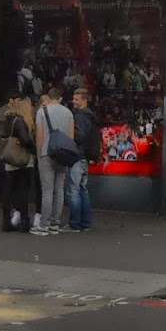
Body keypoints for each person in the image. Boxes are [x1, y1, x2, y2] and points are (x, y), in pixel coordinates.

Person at [0, 89, 35, 232]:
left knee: (9, 189)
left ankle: (6, 221)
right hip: (21, 157)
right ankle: (24, 221)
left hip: (9, 157)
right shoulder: (20, 121)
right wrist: (34, 148)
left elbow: (0, 133)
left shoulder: (8, 118)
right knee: (23, 189)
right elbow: (25, 140)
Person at [34, 87, 75, 236]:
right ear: (60, 98)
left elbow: (40, 135)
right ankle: (54, 224)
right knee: (59, 190)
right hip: (63, 155)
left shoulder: (41, 112)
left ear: (49, 97)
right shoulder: (69, 113)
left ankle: (43, 225)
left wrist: (39, 155)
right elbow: (71, 137)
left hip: (46, 153)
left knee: (47, 190)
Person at [68, 86, 99, 233]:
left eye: (76, 99)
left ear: (84, 100)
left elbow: (79, 136)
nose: (73, 102)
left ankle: (75, 223)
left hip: (77, 155)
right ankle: (85, 223)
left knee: (74, 190)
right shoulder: (90, 116)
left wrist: (69, 132)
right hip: (85, 157)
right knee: (82, 189)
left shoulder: (80, 116)